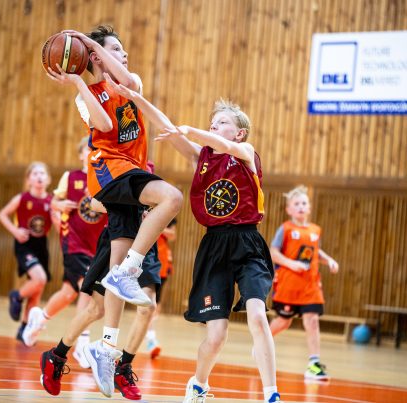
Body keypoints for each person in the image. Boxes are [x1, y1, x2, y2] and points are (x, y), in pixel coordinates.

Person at [106, 83, 282, 402]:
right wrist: (136, 98)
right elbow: (168, 127)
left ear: (240, 133)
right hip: (214, 247)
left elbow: (214, 141)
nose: (214, 126)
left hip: (247, 243)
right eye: (212, 122)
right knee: (216, 336)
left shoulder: (246, 152)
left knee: (257, 315)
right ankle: (199, 384)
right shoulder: (201, 158)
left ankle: (272, 394)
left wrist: (192, 130)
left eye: (222, 122)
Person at [39, 24, 182, 398]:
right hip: (109, 171)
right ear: (97, 57)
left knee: (114, 279)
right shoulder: (87, 95)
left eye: (123, 49)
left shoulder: (131, 83)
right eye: (116, 49)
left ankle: (97, 350)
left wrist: (90, 44)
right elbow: (103, 124)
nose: (125, 54)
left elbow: (129, 81)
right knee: (172, 198)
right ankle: (125, 279)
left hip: (130, 175)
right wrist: (79, 82)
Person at [21, 137, 108, 369]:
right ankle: (82, 342)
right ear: (80, 155)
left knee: (69, 292)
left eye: (96, 149)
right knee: (87, 288)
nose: (92, 152)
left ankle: (40, 318)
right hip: (74, 243)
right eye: (88, 149)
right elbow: (53, 201)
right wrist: (57, 206)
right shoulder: (71, 177)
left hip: (97, 246)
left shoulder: (105, 179)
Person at [268, 185, 339, 380]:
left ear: (309, 208)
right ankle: (263, 342)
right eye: (296, 203)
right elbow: (273, 252)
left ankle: (314, 364)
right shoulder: (286, 229)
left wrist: (329, 260)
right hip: (289, 284)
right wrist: (291, 263)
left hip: (311, 285)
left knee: (312, 320)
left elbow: (316, 252)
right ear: (289, 209)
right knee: (284, 321)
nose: (301, 206)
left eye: (304, 203)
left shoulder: (315, 230)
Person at [0, 161, 53, 342]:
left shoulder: (51, 201)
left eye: (42, 173)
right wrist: (15, 231)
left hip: (41, 245)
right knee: (40, 279)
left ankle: (24, 328)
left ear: (48, 179)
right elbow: (2, 214)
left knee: (37, 289)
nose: (39, 176)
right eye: (35, 174)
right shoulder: (21, 198)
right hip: (25, 243)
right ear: (28, 180)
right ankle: (16, 296)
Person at [145, 217, 177, 359]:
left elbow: (173, 235)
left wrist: (158, 226)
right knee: (147, 304)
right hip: (144, 261)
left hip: (162, 263)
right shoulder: (143, 210)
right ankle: (150, 338)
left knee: (155, 304)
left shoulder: (169, 214)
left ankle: (151, 338)